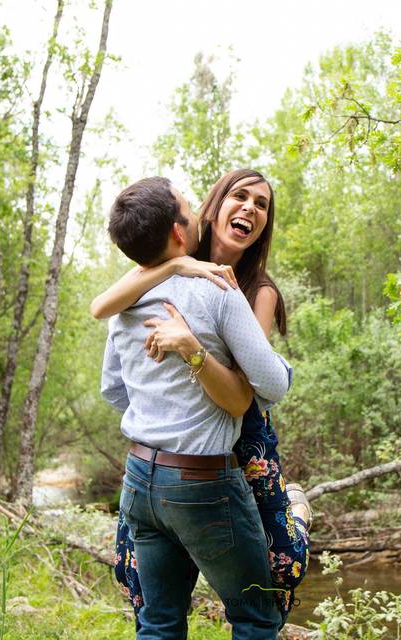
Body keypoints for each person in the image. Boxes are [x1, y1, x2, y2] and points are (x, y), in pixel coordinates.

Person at [92, 169, 311, 624]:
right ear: (209, 211)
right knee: (224, 609)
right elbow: (102, 309)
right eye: (241, 196)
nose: (251, 208)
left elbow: (249, 388)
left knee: (279, 561)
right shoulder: (164, 264)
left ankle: (296, 512)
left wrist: (187, 367)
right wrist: (172, 422)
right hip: (187, 460)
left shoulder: (253, 289)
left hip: (239, 437)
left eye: (262, 205)